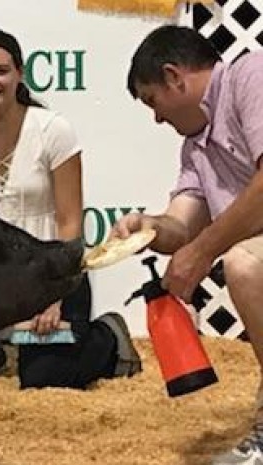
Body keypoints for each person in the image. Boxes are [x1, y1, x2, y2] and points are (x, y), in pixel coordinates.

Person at [0, 28, 142, 389]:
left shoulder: (53, 131)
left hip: (52, 272)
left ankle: (108, 339)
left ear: (20, 72)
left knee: (44, 378)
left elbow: (69, 222)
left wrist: (53, 296)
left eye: (0, 71)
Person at [115, 25, 263, 465]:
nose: (156, 118)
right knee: (244, 262)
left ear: (174, 77)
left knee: (243, 264)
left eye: (151, 101)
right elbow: (182, 225)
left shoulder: (250, 75)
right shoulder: (194, 149)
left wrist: (201, 253)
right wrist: (146, 228)